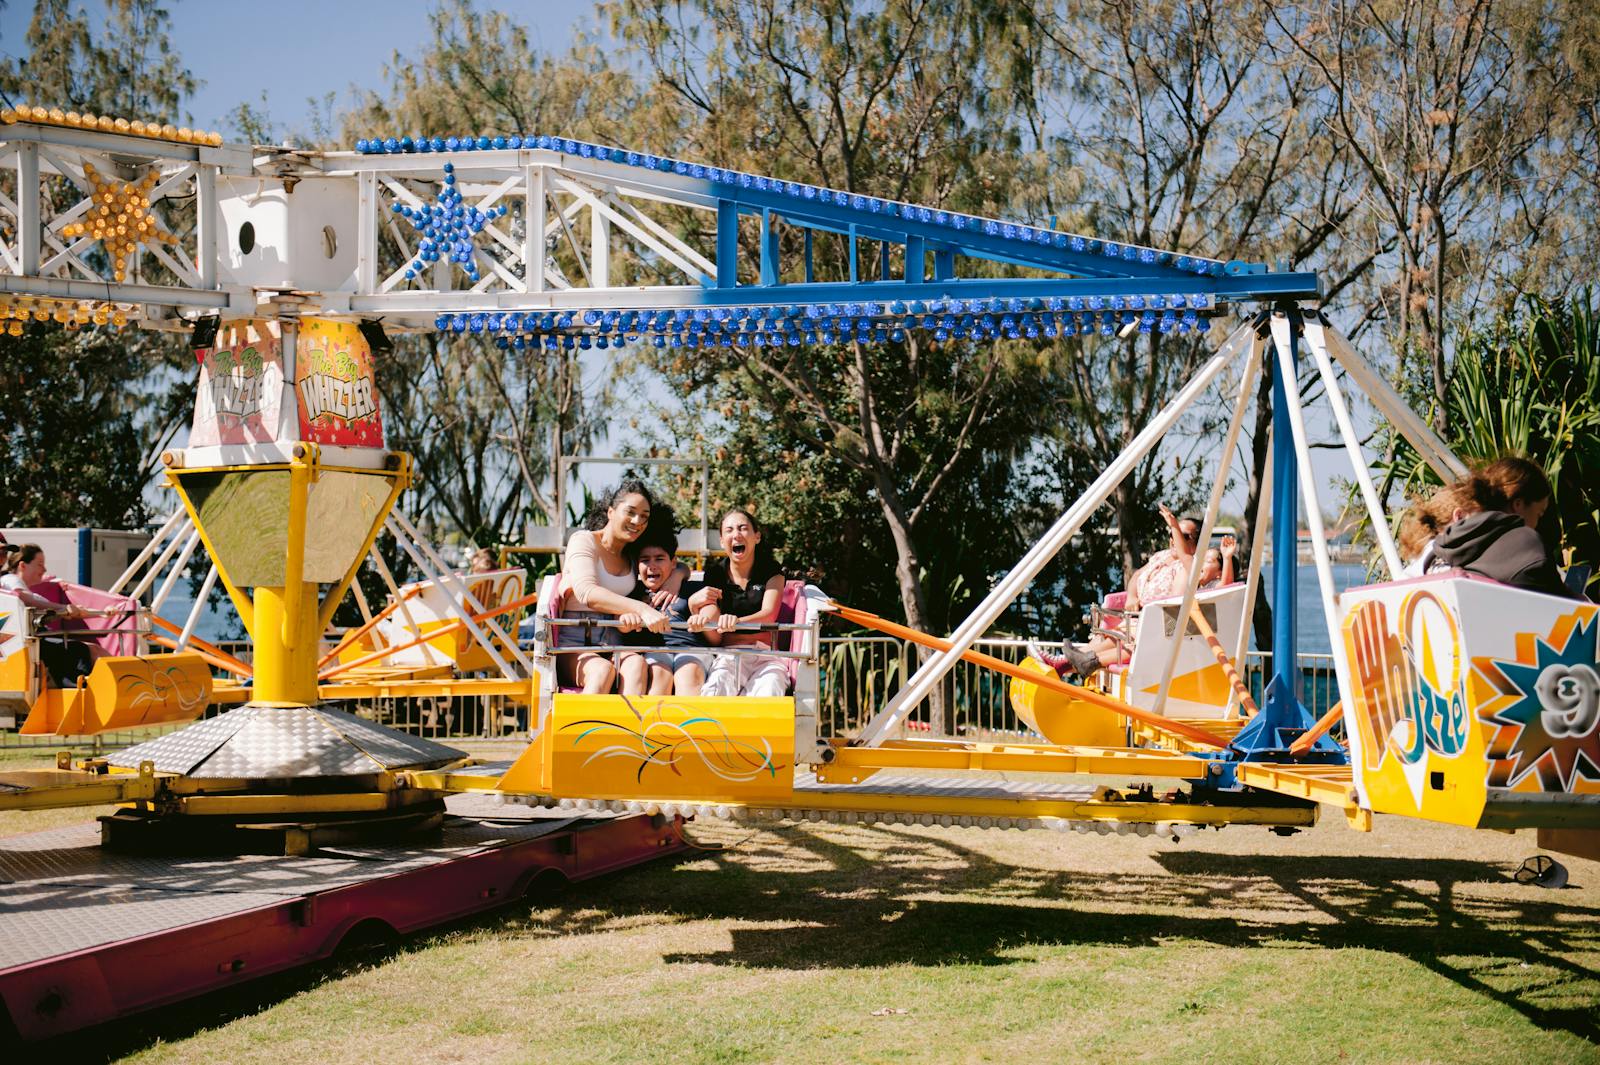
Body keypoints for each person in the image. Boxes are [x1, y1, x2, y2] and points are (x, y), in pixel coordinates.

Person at [1030, 504, 1204, 678]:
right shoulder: (1162, 556)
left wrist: (1173, 524)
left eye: (1182, 535)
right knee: (1114, 634)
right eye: (1172, 534)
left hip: (1160, 624)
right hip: (1137, 619)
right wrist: (1133, 596)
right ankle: (1064, 662)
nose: (1174, 538)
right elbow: (1136, 575)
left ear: (1197, 542)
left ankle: (1062, 663)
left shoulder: (1192, 566)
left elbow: (1174, 605)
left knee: (1126, 636)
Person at [558, 480, 669, 694]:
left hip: (614, 640)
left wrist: (676, 579)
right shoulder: (584, 540)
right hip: (575, 642)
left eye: (644, 516)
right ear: (611, 512)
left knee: (637, 665)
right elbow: (586, 592)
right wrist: (641, 609)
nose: (637, 521)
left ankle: (625, 728)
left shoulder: (631, 554)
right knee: (602, 671)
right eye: (630, 512)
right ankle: (584, 728)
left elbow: (677, 565)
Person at [1428, 457, 1585, 601]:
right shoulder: (1526, 544)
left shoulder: (1444, 545)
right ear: (1518, 504)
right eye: (1539, 514)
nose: (1538, 523)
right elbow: (1565, 606)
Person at [618, 531, 721, 696]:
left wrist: (704, 618)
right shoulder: (634, 592)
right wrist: (625, 619)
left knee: (689, 671)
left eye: (659, 559)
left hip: (692, 650)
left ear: (673, 563)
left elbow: (710, 610)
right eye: (645, 560)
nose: (652, 565)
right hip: (656, 651)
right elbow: (620, 621)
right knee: (658, 673)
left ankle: (689, 719)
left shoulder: (689, 588)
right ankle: (655, 720)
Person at [700, 508, 789, 697]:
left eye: (743, 528)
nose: (736, 534)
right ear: (722, 541)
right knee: (715, 691)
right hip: (729, 655)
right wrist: (696, 610)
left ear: (756, 536)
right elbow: (710, 613)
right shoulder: (714, 574)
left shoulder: (772, 570)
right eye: (729, 530)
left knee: (771, 688)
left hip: (765, 656)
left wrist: (735, 622)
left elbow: (769, 614)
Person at [0, 544, 91, 687]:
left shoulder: (14, 584)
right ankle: (81, 696)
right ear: (22, 566)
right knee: (79, 649)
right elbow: (23, 598)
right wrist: (63, 608)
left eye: (5, 554)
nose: (44, 569)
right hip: (27, 640)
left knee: (84, 648)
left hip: (30, 638)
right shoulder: (11, 579)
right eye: (40, 564)